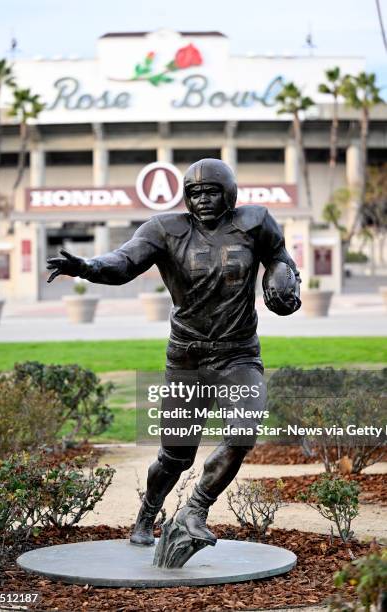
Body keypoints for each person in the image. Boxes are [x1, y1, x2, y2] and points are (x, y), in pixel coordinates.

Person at [47, 158, 301, 547]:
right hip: (187, 358)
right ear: (185, 196)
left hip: (238, 354)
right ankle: (147, 513)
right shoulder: (165, 229)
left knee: (243, 430)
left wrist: (282, 282)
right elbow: (125, 262)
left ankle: (195, 510)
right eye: (195, 192)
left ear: (229, 192)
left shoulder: (255, 222)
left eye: (211, 191)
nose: (202, 199)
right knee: (175, 456)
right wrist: (86, 266)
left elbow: (279, 258)